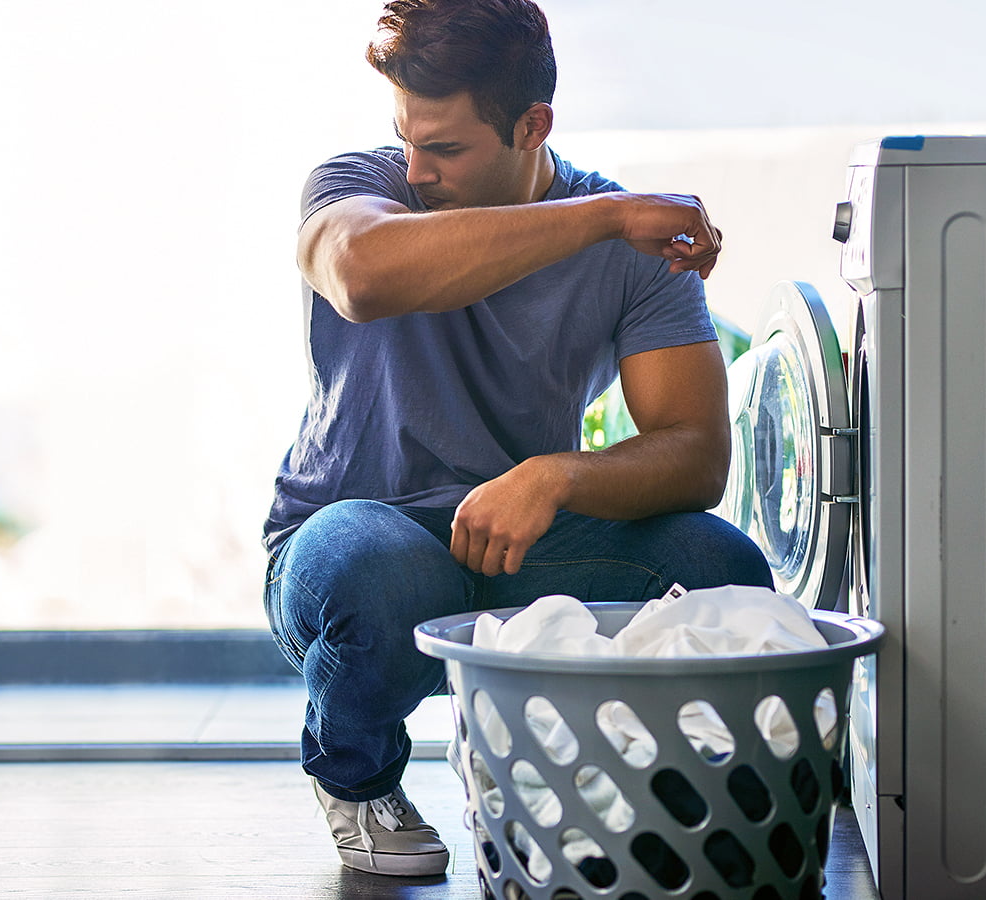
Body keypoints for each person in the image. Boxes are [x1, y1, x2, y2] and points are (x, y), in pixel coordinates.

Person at [262, 0, 774, 878]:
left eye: (447, 148)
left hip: (520, 540)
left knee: (723, 570)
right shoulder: (357, 186)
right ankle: (357, 780)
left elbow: (697, 453)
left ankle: (648, 795)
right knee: (384, 575)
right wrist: (607, 217)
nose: (416, 171)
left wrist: (556, 476)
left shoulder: (632, 248)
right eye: (407, 138)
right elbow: (361, 274)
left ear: (533, 124)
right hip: (348, 536)